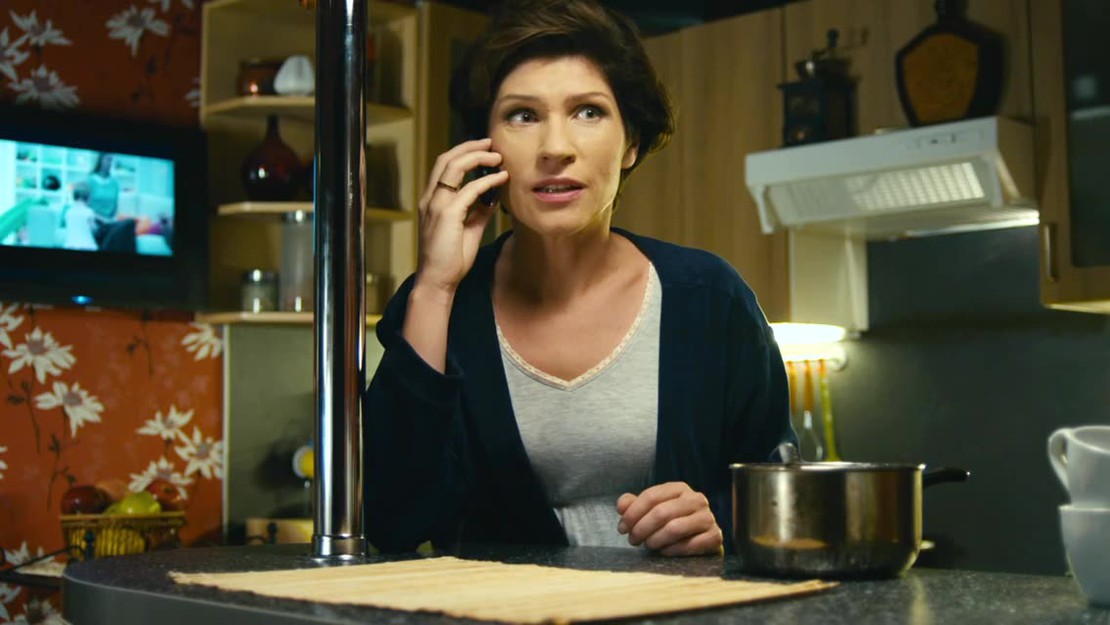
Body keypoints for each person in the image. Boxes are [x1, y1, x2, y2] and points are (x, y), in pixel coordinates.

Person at [363, 0, 795, 557]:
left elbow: (780, 503)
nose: (555, 148)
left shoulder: (710, 299)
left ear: (631, 142)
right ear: (483, 149)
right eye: (523, 115)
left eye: (589, 112)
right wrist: (435, 285)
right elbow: (389, 520)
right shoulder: (438, 304)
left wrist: (722, 526)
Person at [61, 182, 99, 251]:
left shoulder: (68, 212)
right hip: (87, 246)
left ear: (74, 196)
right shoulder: (89, 212)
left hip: (70, 245)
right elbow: (93, 229)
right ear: (88, 197)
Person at [86, 152, 120, 220]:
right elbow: (86, 204)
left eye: (111, 160)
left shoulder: (115, 183)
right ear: (100, 160)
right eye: (107, 159)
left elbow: (115, 206)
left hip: (110, 220)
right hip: (93, 220)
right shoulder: (90, 181)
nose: (109, 163)